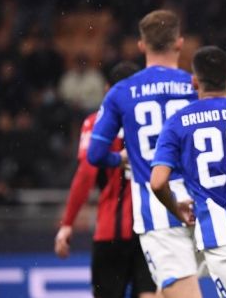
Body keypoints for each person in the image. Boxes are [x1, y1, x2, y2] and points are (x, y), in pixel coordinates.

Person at [87, 10, 200, 298]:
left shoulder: (122, 92)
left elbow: (96, 153)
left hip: (158, 209)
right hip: (204, 204)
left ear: (141, 45)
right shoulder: (195, 86)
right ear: (179, 43)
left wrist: (121, 159)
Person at [150, 46, 226, 298]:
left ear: (195, 82)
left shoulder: (177, 122)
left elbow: (157, 182)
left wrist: (177, 209)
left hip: (222, 237)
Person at [55, 61, 157, 298]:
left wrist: (68, 222)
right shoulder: (153, 121)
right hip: (151, 227)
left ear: (107, 89)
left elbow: (86, 174)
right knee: (149, 294)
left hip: (111, 230)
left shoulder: (96, 122)